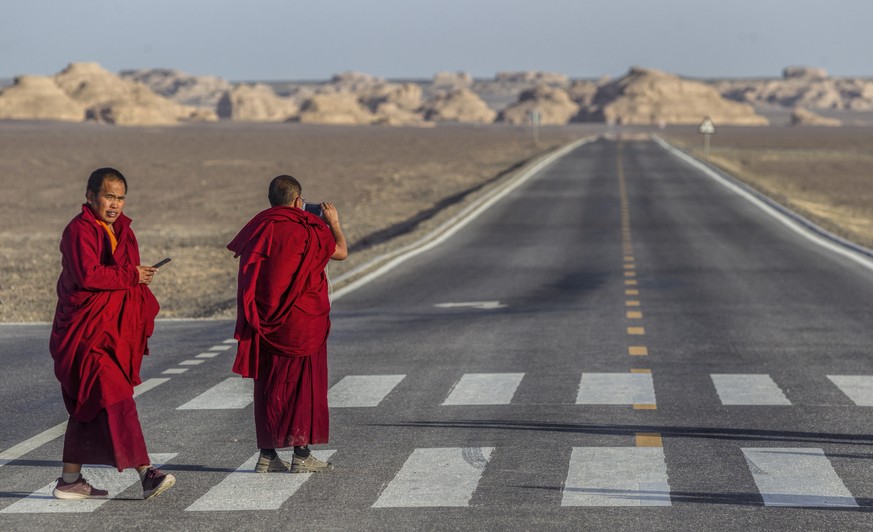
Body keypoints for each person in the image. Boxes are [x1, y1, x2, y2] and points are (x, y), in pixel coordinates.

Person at [49, 167, 175, 500]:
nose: (115, 204)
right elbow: (90, 275)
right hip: (87, 334)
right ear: (90, 197)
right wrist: (132, 275)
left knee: (87, 405)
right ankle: (147, 473)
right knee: (118, 398)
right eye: (109, 196)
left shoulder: (119, 231)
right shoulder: (79, 231)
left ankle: (69, 481)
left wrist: (138, 277)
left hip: (109, 331)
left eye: (120, 197)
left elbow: (119, 273)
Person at [228, 174, 348, 473]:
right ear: (298, 201)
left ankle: (267, 455)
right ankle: (301, 453)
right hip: (301, 320)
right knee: (303, 385)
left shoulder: (259, 226)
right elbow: (341, 253)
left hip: (265, 320)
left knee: (269, 385)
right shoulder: (311, 227)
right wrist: (333, 222)